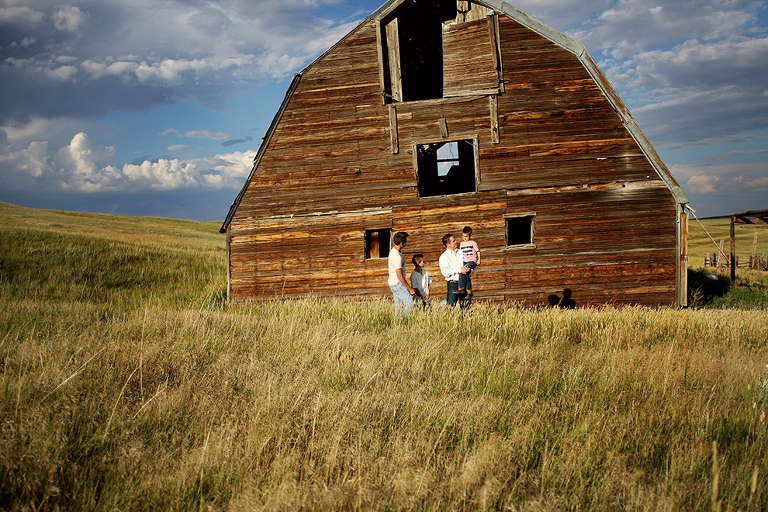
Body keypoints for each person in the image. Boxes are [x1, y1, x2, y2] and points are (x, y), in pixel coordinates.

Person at [439, 233, 472, 309]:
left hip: (465, 282)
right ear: (448, 244)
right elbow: (445, 272)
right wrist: (459, 270)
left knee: (466, 307)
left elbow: (470, 261)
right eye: (453, 241)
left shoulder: (462, 252)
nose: (456, 241)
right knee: (450, 308)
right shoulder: (444, 257)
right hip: (453, 284)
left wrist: (470, 269)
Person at [388, 231, 416, 316]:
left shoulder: (394, 251)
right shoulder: (397, 256)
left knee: (399, 306)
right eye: (405, 241)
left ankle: (398, 322)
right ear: (401, 243)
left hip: (393, 282)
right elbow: (399, 276)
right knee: (410, 303)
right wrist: (410, 289)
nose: (406, 243)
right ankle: (403, 320)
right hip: (397, 283)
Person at [456, 226, 481, 296]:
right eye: (463, 236)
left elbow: (478, 251)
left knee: (462, 271)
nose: (464, 238)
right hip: (464, 261)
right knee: (466, 274)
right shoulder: (461, 244)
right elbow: (457, 250)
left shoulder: (473, 243)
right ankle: (469, 290)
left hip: (471, 261)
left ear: (470, 235)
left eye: (466, 236)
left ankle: (461, 288)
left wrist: (479, 259)